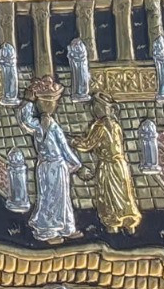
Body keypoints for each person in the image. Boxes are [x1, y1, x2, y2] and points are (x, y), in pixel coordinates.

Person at [74, 96, 140, 235]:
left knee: (109, 194)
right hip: (120, 164)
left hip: (108, 165)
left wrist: (72, 141)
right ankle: (130, 223)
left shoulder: (100, 126)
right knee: (125, 194)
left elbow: (87, 145)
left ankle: (113, 224)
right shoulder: (115, 125)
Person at [26, 94, 82, 243]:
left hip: (48, 165)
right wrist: (76, 163)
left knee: (58, 198)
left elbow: (24, 119)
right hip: (54, 166)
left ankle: (66, 228)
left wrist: (28, 101)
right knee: (52, 198)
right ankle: (48, 231)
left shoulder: (38, 124)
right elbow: (64, 148)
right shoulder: (49, 126)